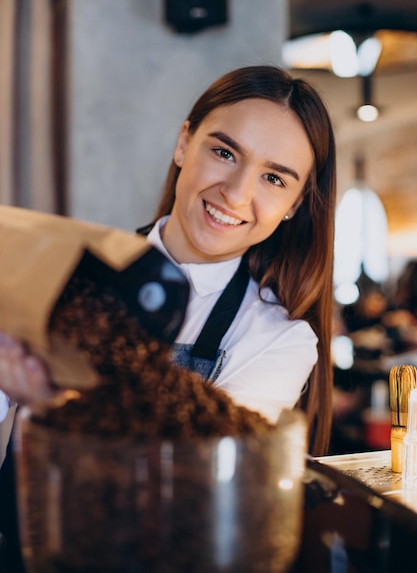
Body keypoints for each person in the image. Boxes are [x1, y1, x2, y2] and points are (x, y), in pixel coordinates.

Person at [0, 65, 336, 461]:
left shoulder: (278, 339)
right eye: (225, 153)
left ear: (293, 206)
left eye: (274, 179)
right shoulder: (62, 268)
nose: (237, 194)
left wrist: (54, 401)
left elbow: (206, 472)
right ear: (184, 143)